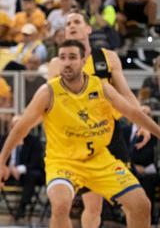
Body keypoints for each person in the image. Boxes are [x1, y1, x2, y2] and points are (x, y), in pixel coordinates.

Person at [0, 40, 160, 228]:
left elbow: (133, 113)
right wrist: (1, 162)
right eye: (62, 57)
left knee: (141, 205)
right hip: (63, 162)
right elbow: (20, 128)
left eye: (72, 57)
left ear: (84, 61)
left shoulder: (101, 87)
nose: (66, 62)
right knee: (61, 205)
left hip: (99, 160)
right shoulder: (48, 92)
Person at [46, 14, 151, 228]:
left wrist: (142, 121)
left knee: (133, 202)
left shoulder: (108, 57)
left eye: (76, 22)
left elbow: (125, 93)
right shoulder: (58, 63)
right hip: (79, 139)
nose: (71, 26)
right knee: (93, 206)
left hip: (110, 133)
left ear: (88, 29)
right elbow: (50, 100)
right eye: (67, 23)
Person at [0, 114, 44, 220]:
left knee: (32, 175)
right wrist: (8, 168)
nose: (16, 129)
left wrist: (18, 169)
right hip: (7, 172)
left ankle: (22, 207)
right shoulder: (5, 139)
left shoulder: (34, 141)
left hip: (25, 173)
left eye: (19, 126)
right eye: (13, 126)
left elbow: (36, 162)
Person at [123, 106, 159, 225]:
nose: (144, 117)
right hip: (126, 167)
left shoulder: (152, 134)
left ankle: (148, 218)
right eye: (142, 113)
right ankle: (119, 217)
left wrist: (135, 164)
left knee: (148, 179)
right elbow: (120, 151)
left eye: (147, 115)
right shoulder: (125, 130)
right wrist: (132, 165)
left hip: (145, 169)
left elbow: (147, 155)